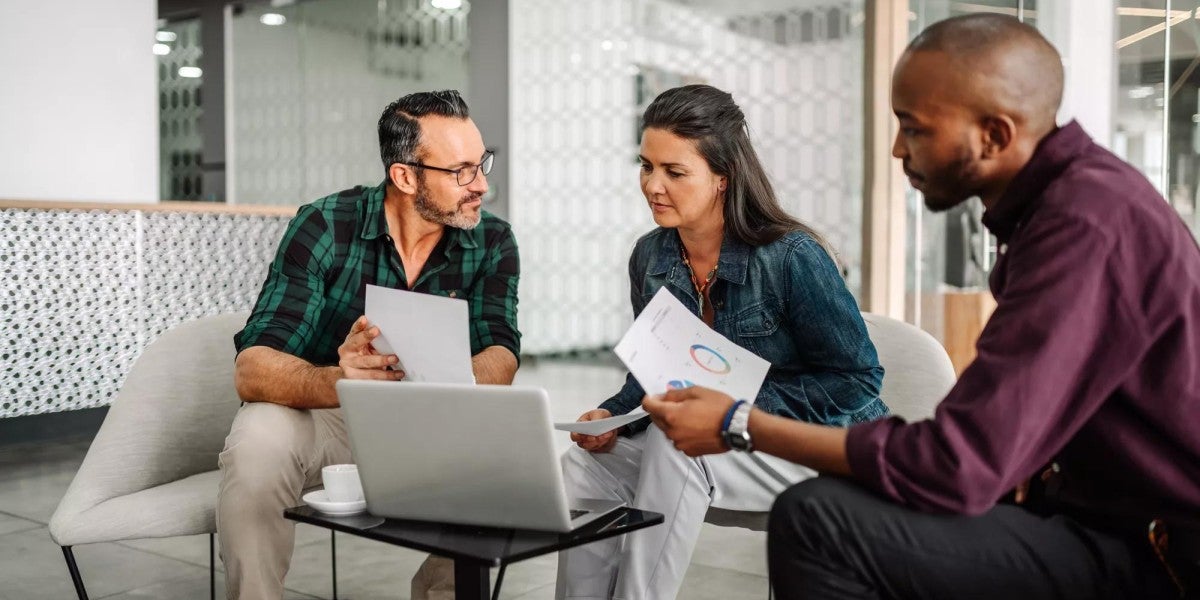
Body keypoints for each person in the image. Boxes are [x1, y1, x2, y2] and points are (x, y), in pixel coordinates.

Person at [643, 14, 1200, 600]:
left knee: (817, 521)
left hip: (1156, 551)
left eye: (915, 128)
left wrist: (739, 423)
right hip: (1084, 512)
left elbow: (958, 465)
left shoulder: (1086, 226)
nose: (897, 148)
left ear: (995, 135)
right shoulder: (1069, 207)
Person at [556, 84, 887, 600]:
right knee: (583, 468)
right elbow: (654, 369)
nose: (652, 185)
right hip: (723, 447)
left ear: (721, 180)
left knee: (675, 442)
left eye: (674, 171)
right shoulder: (650, 257)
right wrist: (610, 413)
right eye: (646, 166)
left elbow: (857, 381)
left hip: (811, 445)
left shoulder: (791, 256)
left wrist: (733, 411)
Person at [219, 90, 520, 600]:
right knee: (257, 441)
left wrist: (453, 382)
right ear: (405, 177)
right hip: (329, 413)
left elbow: (502, 350)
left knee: (508, 451)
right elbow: (252, 369)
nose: (483, 186)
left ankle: (440, 594)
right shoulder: (323, 225)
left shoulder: (493, 241)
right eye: (462, 171)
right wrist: (336, 379)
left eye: (482, 163)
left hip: (432, 418)